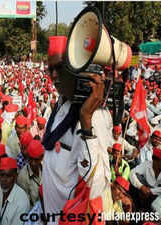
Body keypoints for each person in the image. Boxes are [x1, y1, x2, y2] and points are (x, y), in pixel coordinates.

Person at [43, 39, 112, 224]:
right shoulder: (60, 104)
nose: (54, 75)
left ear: (75, 68)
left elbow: (96, 186)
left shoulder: (93, 115)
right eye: (50, 70)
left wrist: (86, 119)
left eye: (60, 67)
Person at [0, 157, 30, 225]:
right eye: (2, 175)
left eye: (8, 176)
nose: (4, 180)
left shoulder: (22, 202)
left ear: (15, 177)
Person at [17, 139, 43, 207]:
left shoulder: (46, 169)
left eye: (36, 159)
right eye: (31, 159)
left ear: (41, 158)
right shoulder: (22, 176)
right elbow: (25, 205)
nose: (33, 163)